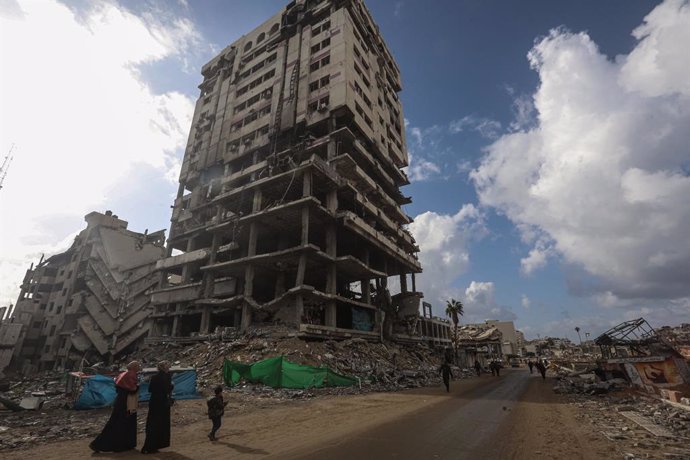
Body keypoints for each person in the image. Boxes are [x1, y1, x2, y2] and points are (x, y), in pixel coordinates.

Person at [90, 361, 141, 453]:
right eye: (138, 366)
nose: (139, 367)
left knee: (115, 422)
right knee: (122, 423)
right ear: (134, 367)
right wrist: (137, 388)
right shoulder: (131, 375)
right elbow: (132, 389)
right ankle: (119, 445)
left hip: (121, 401)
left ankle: (104, 444)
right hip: (127, 402)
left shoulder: (123, 374)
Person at [141, 361, 174, 454]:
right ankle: (155, 445)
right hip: (163, 402)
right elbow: (168, 389)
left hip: (155, 402)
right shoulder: (168, 377)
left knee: (153, 423)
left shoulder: (155, 377)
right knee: (161, 424)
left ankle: (149, 446)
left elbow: (150, 389)